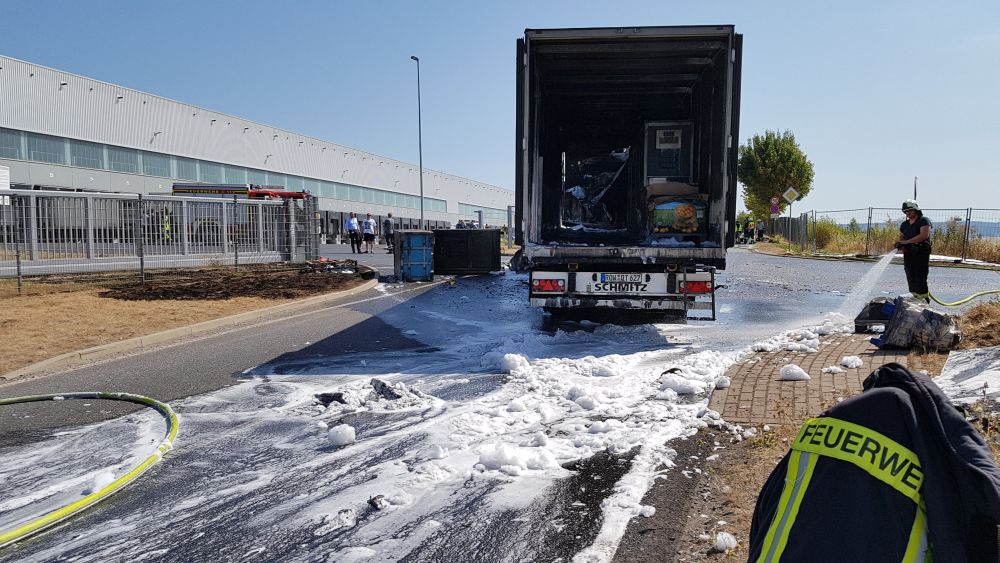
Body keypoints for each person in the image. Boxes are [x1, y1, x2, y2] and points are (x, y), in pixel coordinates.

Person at [896, 199, 933, 301]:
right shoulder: (904, 224)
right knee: (910, 275)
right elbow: (902, 237)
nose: (907, 213)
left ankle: (923, 300)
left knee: (920, 276)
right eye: (905, 211)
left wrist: (907, 242)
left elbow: (923, 236)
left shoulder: (924, 221)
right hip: (909, 254)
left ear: (916, 210)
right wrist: (900, 244)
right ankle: (914, 299)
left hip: (921, 253)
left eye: (910, 210)